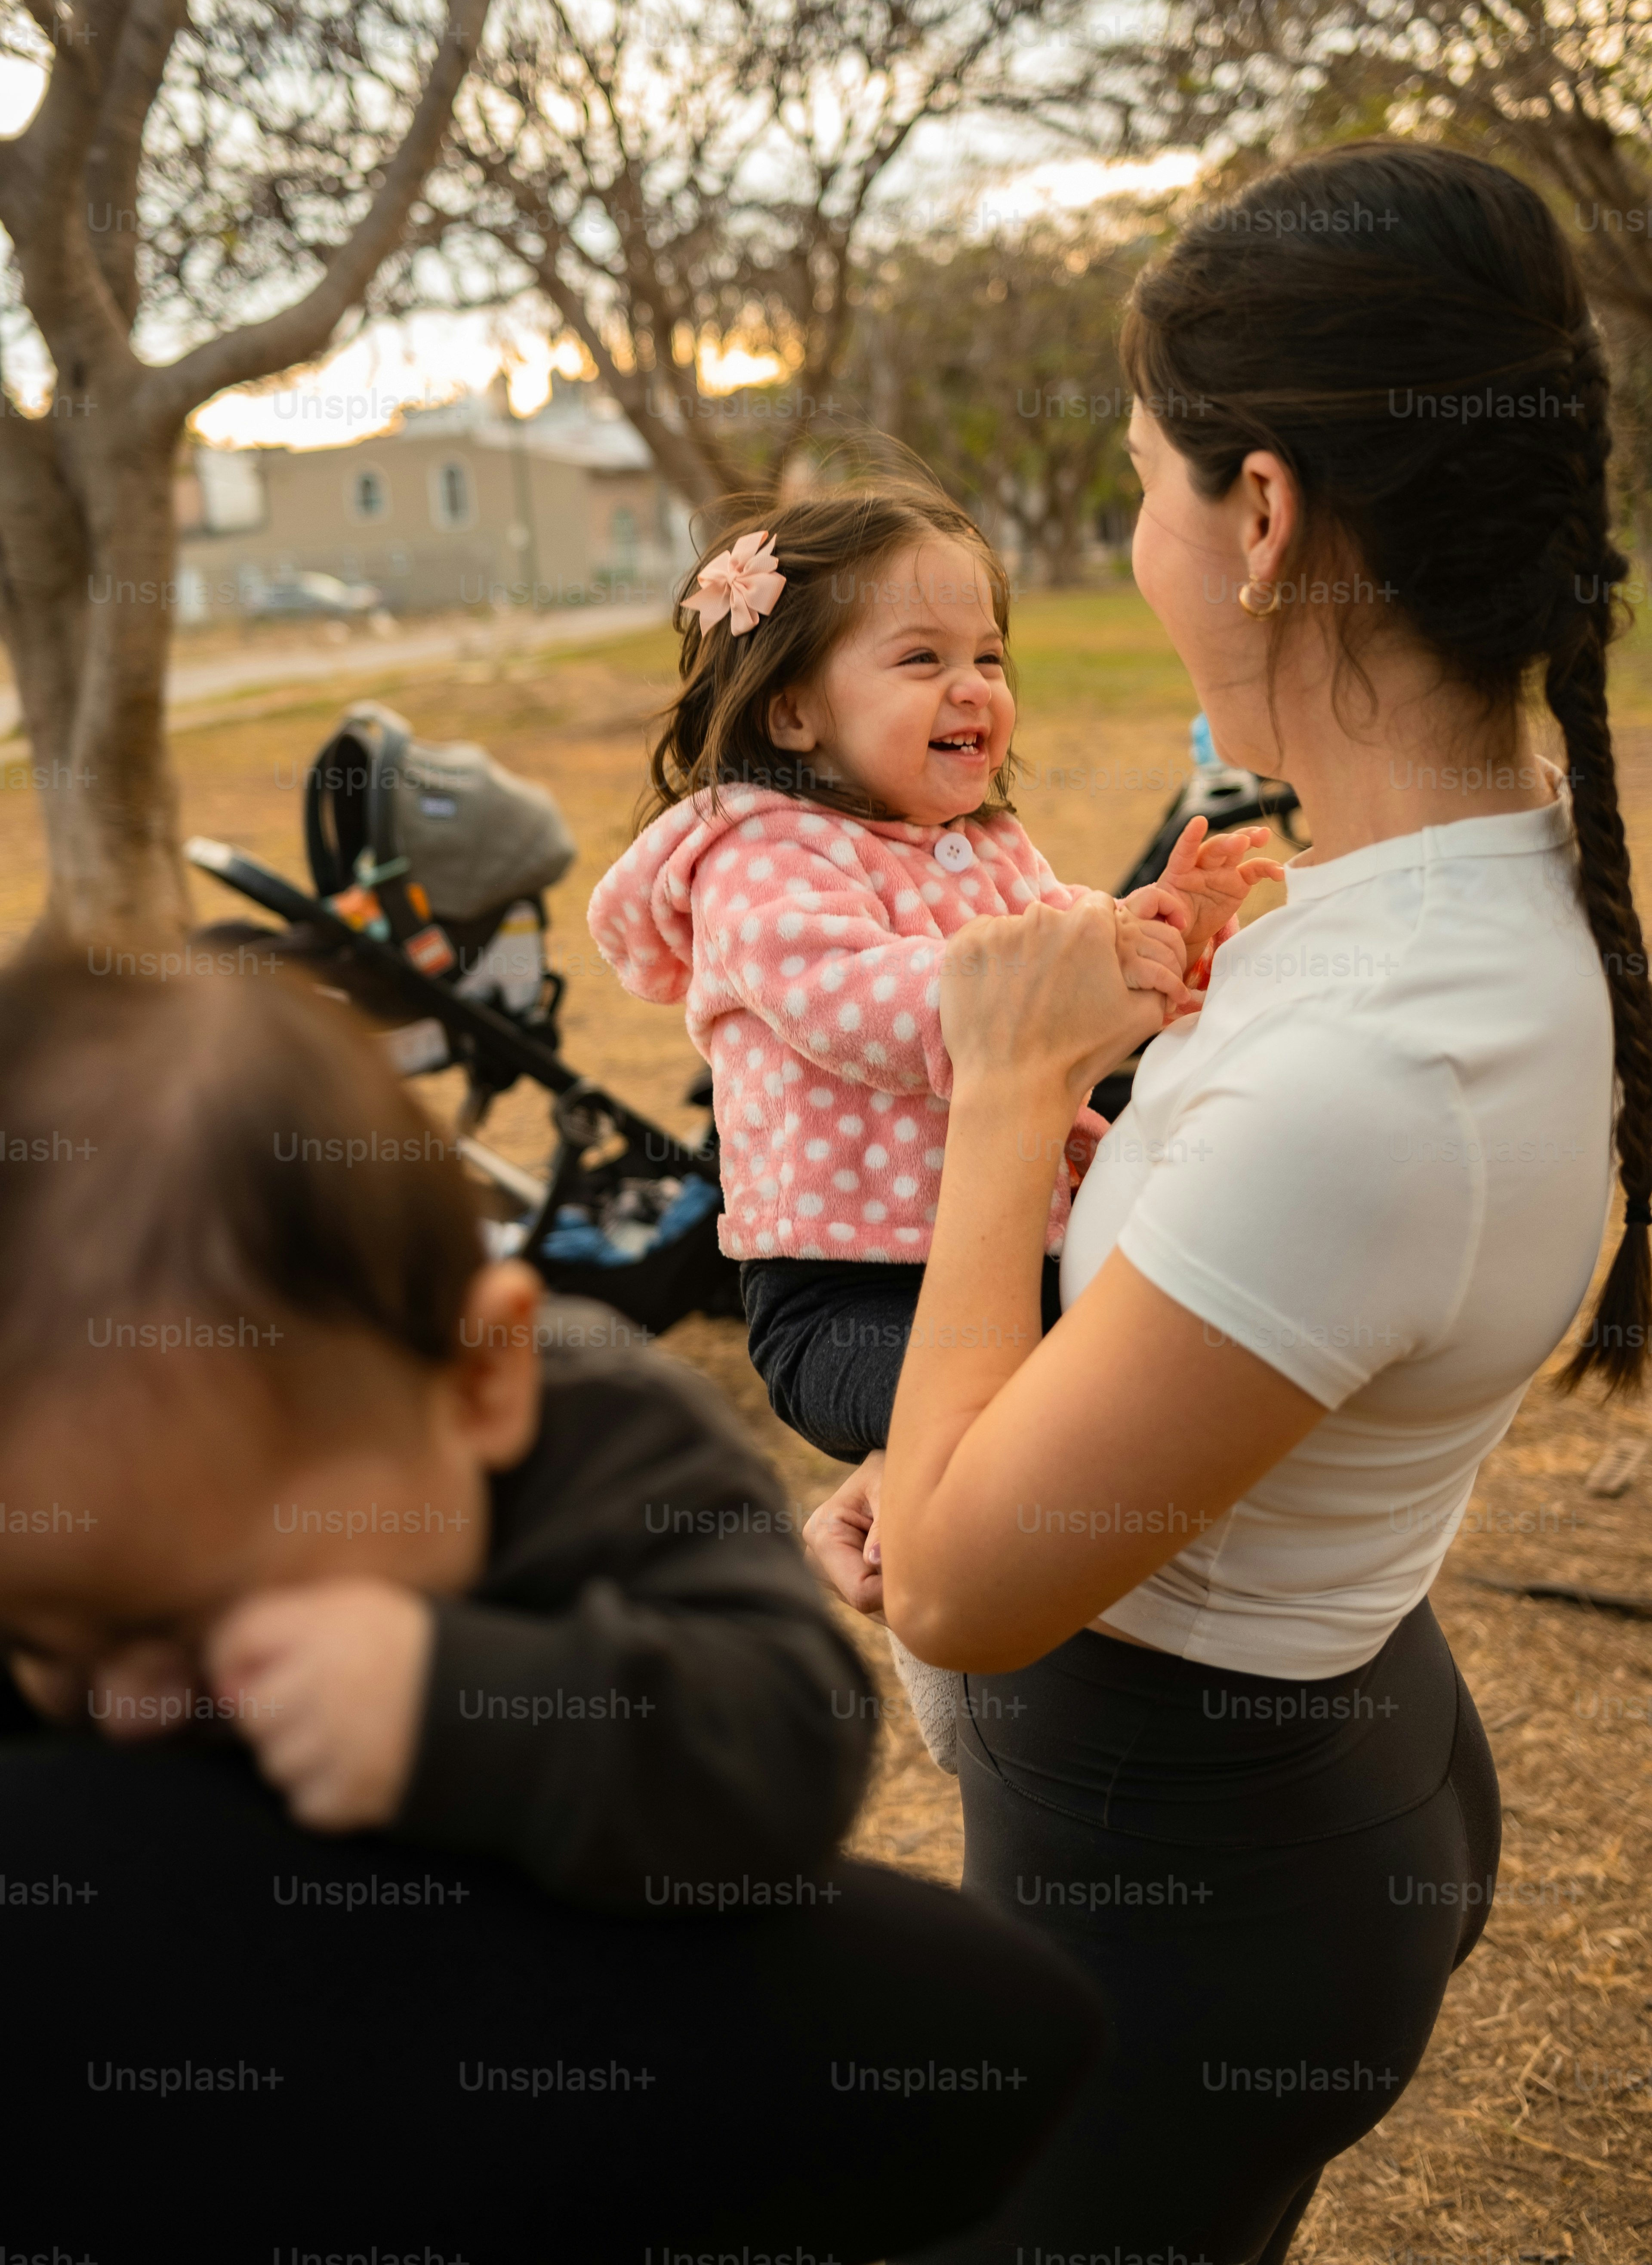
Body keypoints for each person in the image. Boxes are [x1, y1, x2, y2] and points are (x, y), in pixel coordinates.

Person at [803, 141, 1642, 2265]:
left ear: (1262, 517)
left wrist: (1011, 1093)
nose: (1139, 540)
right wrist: (965, 1450)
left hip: (1181, 1919)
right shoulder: (1455, 899)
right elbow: (1176, 1382)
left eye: (1144, 484)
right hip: (1295, 1798)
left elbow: (969, 1595)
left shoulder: (1383, 1064)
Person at [0, 963, 1103, 2265]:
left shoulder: (617, 1455)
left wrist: (456, 1705)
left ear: (479, 1385)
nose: (134, 1711)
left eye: (211, 1624)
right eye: (56, 1643)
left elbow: (785, 1741)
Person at [587, 478, 1279, 1755]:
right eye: (923, 660)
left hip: (1019, 1253)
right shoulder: (759, 855)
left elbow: (1070, 951)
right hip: (846, 1299)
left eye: (989, 658)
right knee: (1022, 1437)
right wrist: (1053, 987)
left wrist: (1156, 932)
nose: (974, 689)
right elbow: (855, 1006)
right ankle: (977, 1694)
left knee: (1108, 1396)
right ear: (794, 709)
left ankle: (1034, 1608)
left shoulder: (987, 842)